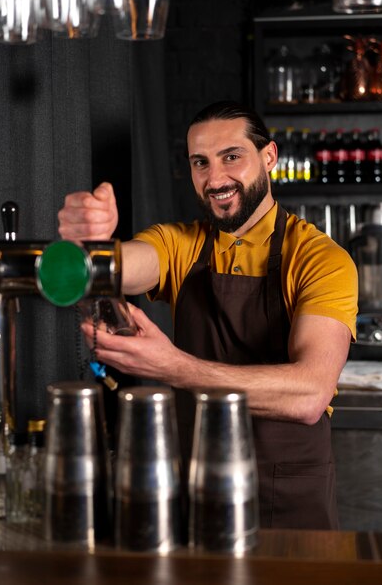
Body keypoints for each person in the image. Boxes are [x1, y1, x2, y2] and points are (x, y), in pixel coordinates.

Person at [58, 100, 358, 530]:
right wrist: (95, 244)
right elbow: (129, 263)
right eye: (201, 163)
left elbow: (309, 395)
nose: (215, 179)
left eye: (231, 157)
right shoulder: (180, 243)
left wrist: (174, 367)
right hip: (196, 490)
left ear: (269, 157)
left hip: (288, 500)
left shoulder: (319, 259)